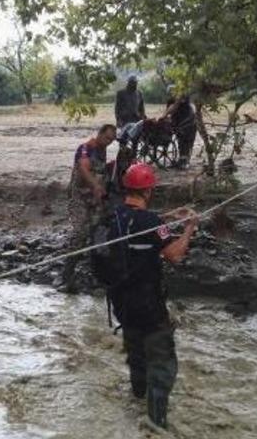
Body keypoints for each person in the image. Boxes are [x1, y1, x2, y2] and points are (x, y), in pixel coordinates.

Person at [103, 162, 198, 430]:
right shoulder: (151, 222)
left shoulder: (114, 217)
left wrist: (165, 222)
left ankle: (136, 401)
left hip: (121, 304)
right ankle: (156, 425)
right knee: (162, 365)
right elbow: (175, 254)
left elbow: (140, 232)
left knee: (136, 355)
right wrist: (189, 227)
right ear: (148, 190)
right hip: (149, 306)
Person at [57, 124, 118, 292]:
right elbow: (84, 169)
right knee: (79, 234)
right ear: (99, 134)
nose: (108, 142)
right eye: (106, 138)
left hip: (94, 200)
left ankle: (96, 277)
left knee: (97, 234)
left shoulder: (102, 151)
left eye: (111, 141)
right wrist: (96, 186)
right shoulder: (85, 148)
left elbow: (100, 172)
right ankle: (66, 277)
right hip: (79, 198)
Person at [165, 88, 196, 168]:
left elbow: (191, 112)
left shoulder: (185, 100)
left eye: (174, 92)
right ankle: (182, 161)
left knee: (187, 143)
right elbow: (169, 112)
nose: (173, 94)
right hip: (178, 124)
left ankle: (185, 161)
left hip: (188, 123)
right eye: (171, 93)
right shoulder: (170, 101)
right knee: (181, 142)